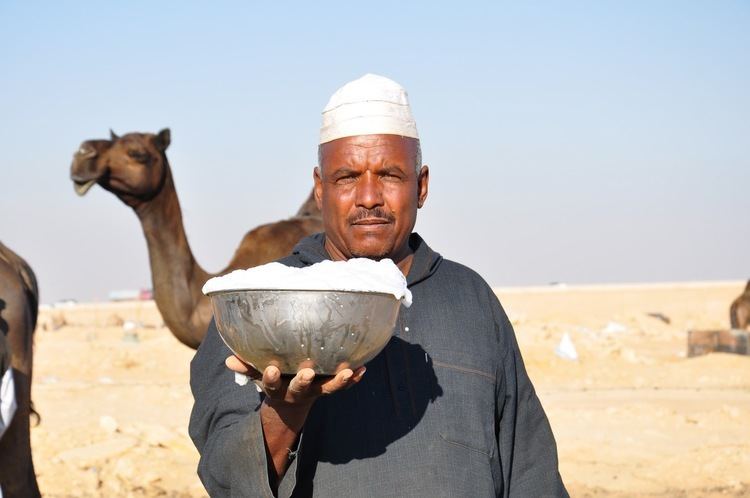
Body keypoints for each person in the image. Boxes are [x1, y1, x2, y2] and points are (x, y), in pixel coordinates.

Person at [189, 74, 568, 497]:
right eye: (347, 177)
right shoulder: (260, 307)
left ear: (420, 186)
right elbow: (223, 477)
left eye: (389, 174)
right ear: (320, 189)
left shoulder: (470, 299)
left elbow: (530, 466)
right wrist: (284, 410)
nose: (368, 197)